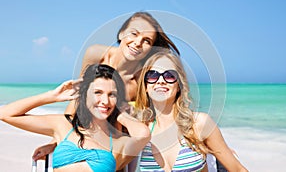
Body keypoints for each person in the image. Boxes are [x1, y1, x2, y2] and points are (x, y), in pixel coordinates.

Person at [32, 11, 180, 161]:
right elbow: (78, 99)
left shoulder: (140, 79)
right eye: (133, 34)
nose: (137, 43)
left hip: (117, 144)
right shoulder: (96, 54)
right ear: (122, 33)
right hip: (86, 135)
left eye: (147, 40)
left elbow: (152, 115)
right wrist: (55, 142)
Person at [0, 64, 151, 171]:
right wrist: (51, 96)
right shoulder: (64, 125)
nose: (105, 101)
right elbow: (5, 114)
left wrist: (119, 112)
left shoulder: (117, 140)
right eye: (97, 92)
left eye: (112, 95)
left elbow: (143, 134)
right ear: (84, 95)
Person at [131, 51, 248, 171]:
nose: (161, 80)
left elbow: (238, 169)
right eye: (153, 75)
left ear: (179, 85)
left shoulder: (198, 124)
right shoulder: (140, 130)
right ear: (145, 86)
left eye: (170, 75)